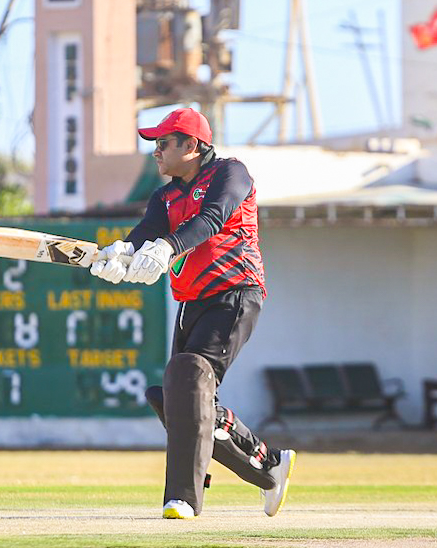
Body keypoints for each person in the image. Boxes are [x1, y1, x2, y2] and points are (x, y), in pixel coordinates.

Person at [84, 108, 295, 520]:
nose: (156, 152)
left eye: (163, 143)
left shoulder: (230, 173)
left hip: (234, 293)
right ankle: (269, 466)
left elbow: (212, 218)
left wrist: (167, 247)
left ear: (192, 145)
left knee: (188, 375)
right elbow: (146, 232)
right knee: (174, 398)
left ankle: (183, 497)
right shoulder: (164, 197)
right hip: (192, 302)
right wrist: (123, 252)